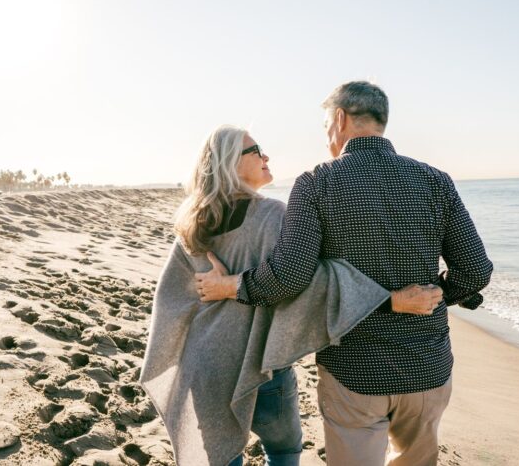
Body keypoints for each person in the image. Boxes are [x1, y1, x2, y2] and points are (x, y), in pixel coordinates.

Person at [196, 81, 493, 466]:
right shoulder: (435, 180)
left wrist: (232, 286)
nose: (325, 138)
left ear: (339, 119)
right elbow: (475, 271)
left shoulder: (317, 183)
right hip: (428, 366)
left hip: (354, 369)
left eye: (324, 127)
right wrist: (437, 294)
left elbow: (289, 277)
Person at [140, 125, 442, 466]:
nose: (265, 156)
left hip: (205, 364)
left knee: (221, 458)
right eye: (255, 151)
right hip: (261, 364)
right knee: (283, 450)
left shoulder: (191, 221)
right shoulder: (271, 215)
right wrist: (391, 299)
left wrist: (217, 293)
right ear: (229, 163)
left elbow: (172, 298)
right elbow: (307, 282)